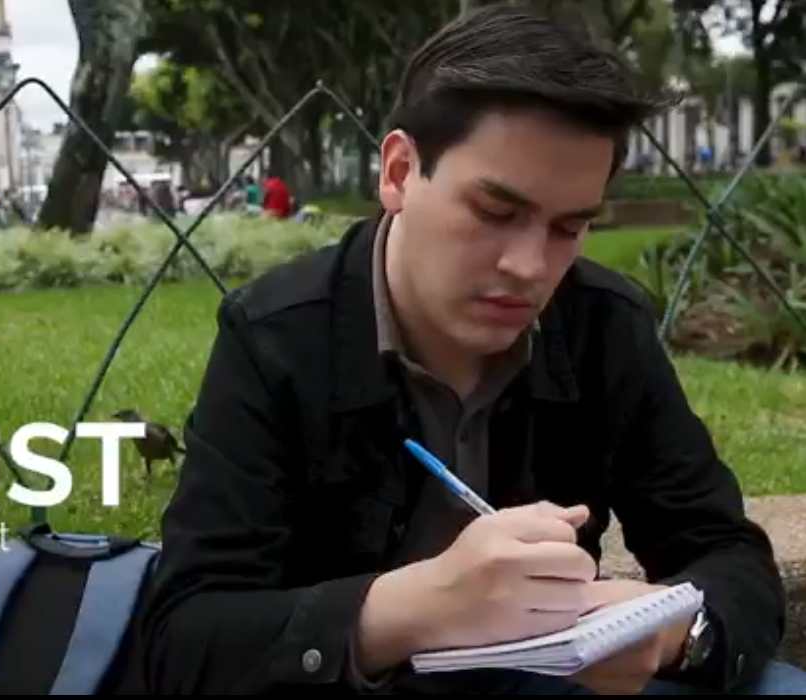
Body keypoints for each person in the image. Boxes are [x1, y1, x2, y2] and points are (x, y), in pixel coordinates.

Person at [141, 6, 804, 695]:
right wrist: (417, 607)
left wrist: (675, 633)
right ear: (400, 171)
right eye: (495, 213)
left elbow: (728, 556)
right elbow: (185, 640)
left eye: (569, 228)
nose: (530, 266)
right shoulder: (277, 337)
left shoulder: (602, 325)